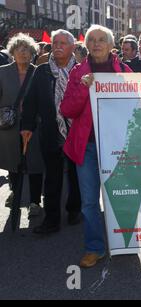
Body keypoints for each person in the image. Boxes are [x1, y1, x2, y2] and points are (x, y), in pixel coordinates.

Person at [60, 25, 133, 268]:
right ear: (87, 44)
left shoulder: (124, 71)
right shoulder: (78, 72)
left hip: (116, 147)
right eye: (93, 40)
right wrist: (83, 88)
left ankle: (124, 243)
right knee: (90, 201)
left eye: (103, 39)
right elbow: (67, 110)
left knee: (119, 198)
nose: (97, 43)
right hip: (88, 148)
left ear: (112, 45)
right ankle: (95, 247)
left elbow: (137, 110)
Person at [21, 29, 82, 234]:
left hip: (76, 132)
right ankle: (52, 220)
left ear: (73, 47)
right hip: (51, 131)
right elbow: (30, 102)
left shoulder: (82, 72)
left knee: (76, 176)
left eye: (63, 43)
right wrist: (27, 126)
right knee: (52, 178)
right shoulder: (42, 71)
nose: (57, 46)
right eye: (55, 43)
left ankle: (74, 210)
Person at [0, 33, 44, 216]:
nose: (23, 52)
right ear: (12, 52)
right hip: (9, 125)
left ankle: (34, 202)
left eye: (27, 49)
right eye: (19, 48)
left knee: (35, 162)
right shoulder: (2, 71)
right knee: (13, 161)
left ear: (32, 52)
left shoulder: (39, 72)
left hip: (34, 124)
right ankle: (15, 192)